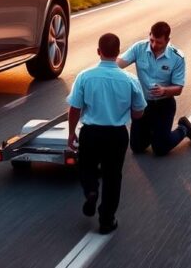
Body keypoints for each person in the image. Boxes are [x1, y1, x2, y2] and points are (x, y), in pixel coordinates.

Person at [67, 32, 146, 234]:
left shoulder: (85, 76)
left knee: (86, 168)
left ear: (98, 51)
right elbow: (138, 113)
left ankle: (91, 190)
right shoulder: (130, 80)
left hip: (91, 133)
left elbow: (74, 108)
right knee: (113, 177)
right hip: (117, 135)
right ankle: (106, 221)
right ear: (118, 52)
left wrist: (71, 134)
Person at [116, 21, 191, 156]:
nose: (154, 45)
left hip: (164, 105)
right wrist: (103, 69)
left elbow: (178, 89)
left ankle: (183, 129)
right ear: (149, 35)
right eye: (152, 40)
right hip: (143, 104)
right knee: (137, 147)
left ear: (167, 40)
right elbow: (118, 64)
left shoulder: (177, 57)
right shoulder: (139, 48)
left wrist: (164, 90)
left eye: (159, 42)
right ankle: (154, 132)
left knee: (160, 149)